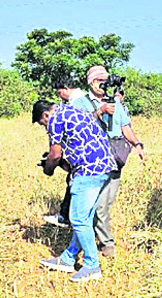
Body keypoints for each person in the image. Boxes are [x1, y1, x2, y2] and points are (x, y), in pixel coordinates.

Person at [33, 100, 116, 282]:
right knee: (84, 219)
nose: (45, 128)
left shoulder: (54, 120)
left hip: (88, 171)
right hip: (104, 167)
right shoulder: (74, 110)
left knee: (78, 219)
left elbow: (55, 154)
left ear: (45, 115)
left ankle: (92, 266)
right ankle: (68, 259)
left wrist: (48, 168)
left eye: (42, 124)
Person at [71, 65, 145, 259]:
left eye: (105, 81)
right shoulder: (80, 103)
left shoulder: (116, 103)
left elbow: (125, 127)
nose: (102, 85)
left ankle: (90, 238)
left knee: (106, 203)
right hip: (93, 160)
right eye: (98, 81)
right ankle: (106, 244)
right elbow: (77, 126)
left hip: (115, 157)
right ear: (91, 82)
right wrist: (99, 111)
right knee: (100, 206)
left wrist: (137, 143)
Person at [43, 76, 87, 228]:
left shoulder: (77, 102)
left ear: (66, 89)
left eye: (59, 92)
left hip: (85, 152)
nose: (59, 96)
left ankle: (66, 217)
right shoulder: (84, 98)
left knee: (74, 181)